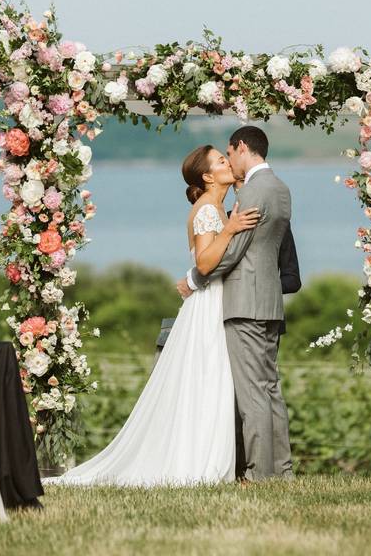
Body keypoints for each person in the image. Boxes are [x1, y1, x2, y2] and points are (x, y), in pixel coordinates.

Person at [46, 140, 260, 486]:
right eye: (222, 160)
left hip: (215, 300)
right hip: (208, 305)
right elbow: (205, 264)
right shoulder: (208, 210)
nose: (228, 163)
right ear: (208, 176)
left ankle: (215, 458)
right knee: (207, 378)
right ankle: (199, 462)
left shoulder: (218, 207)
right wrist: (232, 229)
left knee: (212, 381)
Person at [182, 125, 294, 481]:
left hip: (245, 303)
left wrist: (192, 280)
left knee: (253, 395)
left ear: (241, 147)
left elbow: (229, 257)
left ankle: (261, 473)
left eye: (228, 154)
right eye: (221, 160)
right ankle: (282, 471)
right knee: (271, 390)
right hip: (269, 302)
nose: (229, 162)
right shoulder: (279, 187)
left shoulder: (251, 194)